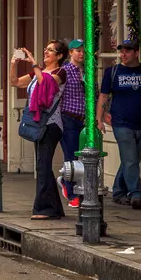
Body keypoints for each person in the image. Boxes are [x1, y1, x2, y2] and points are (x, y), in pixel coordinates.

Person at [97, 38, 141, 209]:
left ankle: (119, 191)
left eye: (127, 51)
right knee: (131, 160)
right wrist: (100, 117)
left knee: (131, 159)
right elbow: (103, 96)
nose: (123, 54)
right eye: (121, 51)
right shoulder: (113, 72)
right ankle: (136, 194)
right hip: (121, 123)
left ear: (136, 53)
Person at [10, 41, 69, 220]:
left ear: (59, 56)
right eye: (46, 49)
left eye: (50, 50)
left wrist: (34, 63)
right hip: (39, 124)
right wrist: (14, 64)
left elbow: (46, 84)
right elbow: (15, 83)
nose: (46, 52)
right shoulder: (38, 73)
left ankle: (45, 209)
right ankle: (55, 208)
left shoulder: (60, 72)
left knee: (42, 165)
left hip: (51, 125)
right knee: (43, 166)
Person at [57, 39, 87, 206]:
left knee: (84, 157)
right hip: (68, 118)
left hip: (84, 120)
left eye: (83, 51)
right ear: (70, 53)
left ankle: (78, 187)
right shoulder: (65, 71)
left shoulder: (87, 70)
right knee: (71, 156)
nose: (81, 53)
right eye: (77, 51)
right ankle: (71, 192)